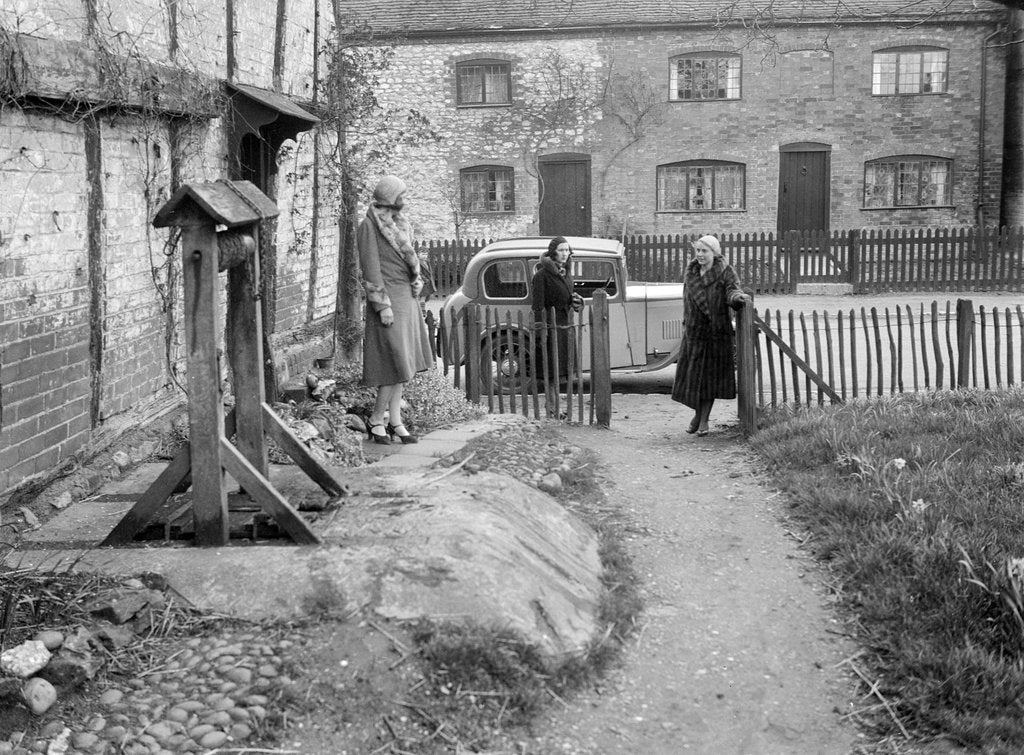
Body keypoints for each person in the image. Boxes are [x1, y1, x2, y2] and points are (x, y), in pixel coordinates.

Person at [357, 175, 434, 445]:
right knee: (395, 364)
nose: (405, 199)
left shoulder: (400, 223)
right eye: (402, 194)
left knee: (404, 365)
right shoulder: (368, 226)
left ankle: (395, 422)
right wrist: (382, 306)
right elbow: (371, 270)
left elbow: (409, 261)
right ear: (390, 196)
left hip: (407, 300)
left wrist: (417, 281)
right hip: (389, 303)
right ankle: (376, 420)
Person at [671, 234, 751, 436]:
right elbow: (686, 300)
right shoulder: (691, 272)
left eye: (704, 251)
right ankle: (698, 416)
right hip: (694, 333)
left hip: (715, 334)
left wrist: (737, 298)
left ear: (714, 253)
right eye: (697, 250)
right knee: (693, 379)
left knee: (709, 380)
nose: (699, 254)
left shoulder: (725, 272)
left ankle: (703, 419)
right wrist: (685, 323)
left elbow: (732, 291)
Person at [531, 236, 583, 411]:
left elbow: (568, 295)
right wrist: (541, 332)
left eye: (567, 250)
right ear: (553, 252)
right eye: (561, 250)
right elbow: (537, 307)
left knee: (561, 370)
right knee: (551, 370)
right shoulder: (541, 276)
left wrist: (576, 300)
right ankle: (551, 407)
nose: (565, 253)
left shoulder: (566, 273)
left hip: (565, 327)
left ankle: (555, 406)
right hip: (550, 328)